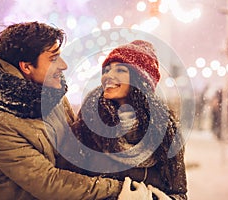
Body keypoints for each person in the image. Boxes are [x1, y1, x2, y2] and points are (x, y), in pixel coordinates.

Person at [0, 21, 152, 200]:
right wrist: (118, 190)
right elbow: (49, 182)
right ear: (26, 66)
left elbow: (78, 151)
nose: (63, 65)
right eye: (53, 59)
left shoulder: (51, 97)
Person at [72, 40, 188, 199]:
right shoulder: (88, 123)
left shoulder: (167, 132)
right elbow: (70, 186)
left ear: (139, 80)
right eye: (107, 70)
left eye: (120, 70)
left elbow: (179, 193)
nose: (108, 76)